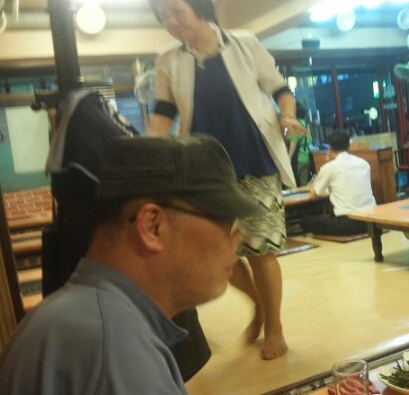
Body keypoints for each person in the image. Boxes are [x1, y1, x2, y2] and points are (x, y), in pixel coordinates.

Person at [0, 135, 264, 394]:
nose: (238, 237)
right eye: (226, 221)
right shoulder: (116, 351)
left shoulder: (82, 319)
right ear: (153, 226)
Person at [147, 0, 305, 359]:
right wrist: (147, 153)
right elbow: (163, 114)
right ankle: (259, 307)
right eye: (163, 16)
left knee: (262, 250)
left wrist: (287, 116)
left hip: (255, 160)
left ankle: (275, 327)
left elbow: (280, 89)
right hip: (205, 171)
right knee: (218, 254)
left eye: (176, 11)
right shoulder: (168, 60)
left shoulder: (244, 44)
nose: (172, 22)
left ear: (198, 5)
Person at [300, 130, 376, 235]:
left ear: (329, 148)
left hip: (348, 222)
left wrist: (328, 162)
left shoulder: (329, 167)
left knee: (305, 221)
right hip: (372, 219)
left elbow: (314, 196)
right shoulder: (363, 163)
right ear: (349, 146)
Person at [288, 102, 315, 186]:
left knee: (291, 182)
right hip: (307, 156)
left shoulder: (295, 125)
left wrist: (289, 157)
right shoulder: (306, 124)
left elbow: (293, 142)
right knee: (304, 182)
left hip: (298, 158)